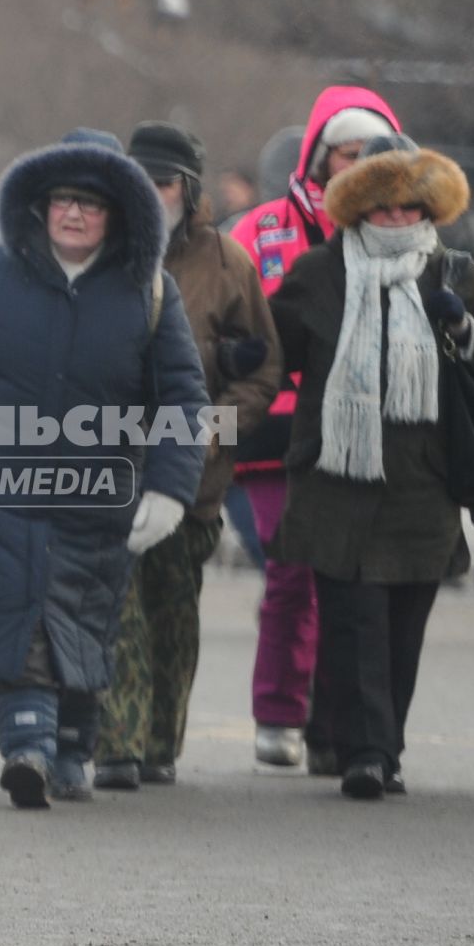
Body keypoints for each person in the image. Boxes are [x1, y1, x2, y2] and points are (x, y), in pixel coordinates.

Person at [0, 129, 209, 808]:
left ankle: (72, 749)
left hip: (100, 493)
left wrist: (171, 489)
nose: (74, 214)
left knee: (83, 618)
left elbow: (183, 398)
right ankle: (27, 746)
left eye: (90, 202)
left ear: (118, 212)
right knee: (14, 609)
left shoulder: (149, 292)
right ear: (39, 207)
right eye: (61, 200)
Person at [269, 137, 474, 799]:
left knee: (402, 631)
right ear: (357, 211)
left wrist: (467, 332)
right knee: (355, 623)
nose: (396, 220)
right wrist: (248, 360)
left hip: (426, 484)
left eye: (408, 208)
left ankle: (383, 745)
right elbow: (277, 352)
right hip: (338, 484)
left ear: (428, 210)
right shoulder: (318, 274)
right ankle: (366, 753)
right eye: (381, 209)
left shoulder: (455, 275)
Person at [93, 123, 281, 789]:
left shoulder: (227, 262)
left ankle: (159, 741)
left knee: (173, 612)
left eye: (165, 181)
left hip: (194, 479)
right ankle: (117, 742)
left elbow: (264, 369)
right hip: (110, 469)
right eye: (141, 179)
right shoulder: (104, 250)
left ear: (189, 189)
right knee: (118, 607)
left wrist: (215, 431)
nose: (153, 192)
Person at [230, 86, 401, 772]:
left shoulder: (395, 231)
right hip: (274, 435)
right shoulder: (264, 228)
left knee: (354, 582)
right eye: (345, 155)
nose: (355, 168)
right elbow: (231, 318)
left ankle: (337, 721)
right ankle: (278, 711)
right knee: (292, 568)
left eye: (370, 156)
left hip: (366, 435)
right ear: (321, 158)